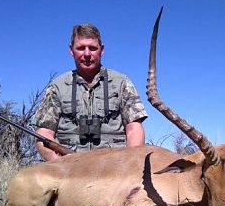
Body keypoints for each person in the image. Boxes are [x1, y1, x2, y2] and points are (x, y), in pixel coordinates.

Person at [34, 23, 147, 161]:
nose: (87, 54)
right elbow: (44, 133)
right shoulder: (57, 86)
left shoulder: (122, 82)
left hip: (113, 168)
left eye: (93, 48)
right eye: (81, 48)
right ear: (71, 50)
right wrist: (59, 164)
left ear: (102, 50)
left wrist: (128, 165)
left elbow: (134, 129)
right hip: (68, 168)